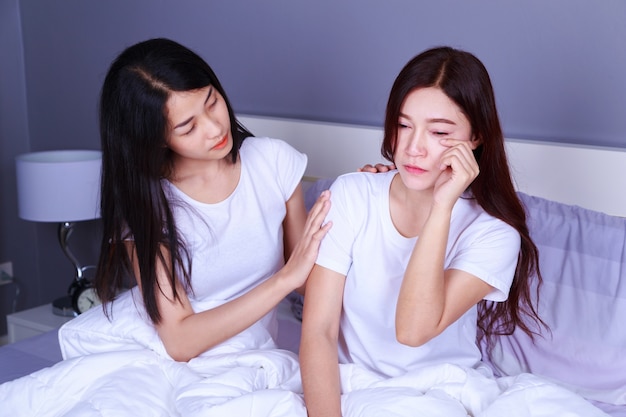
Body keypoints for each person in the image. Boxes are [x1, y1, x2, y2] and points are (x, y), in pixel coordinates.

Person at [299, 46, 574, 416]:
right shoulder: (352, 194)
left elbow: (412, 331)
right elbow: (319, 331)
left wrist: (442, 207)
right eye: (403, 125)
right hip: (348, 384)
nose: (413, 148)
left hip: (439, 391)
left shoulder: (493, 232)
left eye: (439, 132)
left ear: (475, 137)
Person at [94, 37, 332, 362]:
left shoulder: (273, 163)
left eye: (212, 101)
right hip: (164, 359)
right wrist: (283, 280)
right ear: (156, 139)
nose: (215, 127)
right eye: (188, 127)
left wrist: (370, 192)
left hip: (251, 357)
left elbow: (308, 284)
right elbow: (179, 342)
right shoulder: (147, 203)